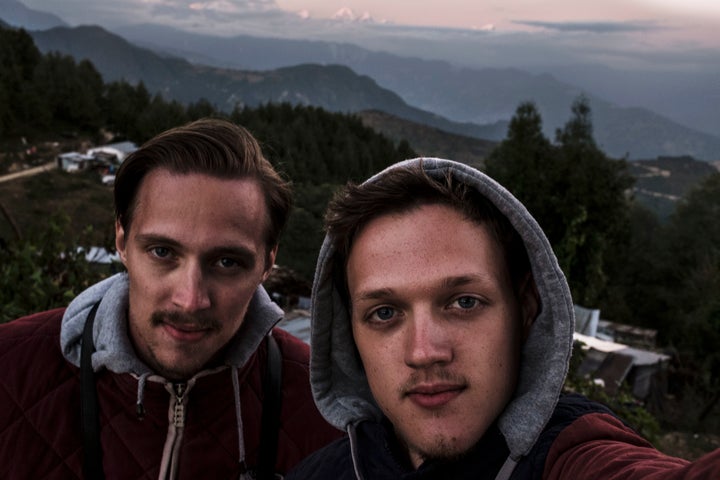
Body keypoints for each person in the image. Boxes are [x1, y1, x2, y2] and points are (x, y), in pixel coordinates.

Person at [287, 157, 720, 479]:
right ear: (350, 336)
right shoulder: (319, 474)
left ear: (526, 310)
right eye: (384, 313)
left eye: (464, 302)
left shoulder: (570, 457)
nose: (424, 352)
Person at [0, 118, 341, 479]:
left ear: (267, 263)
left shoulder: (330, 412)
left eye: (227, 262)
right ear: (121, 240)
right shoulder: (8, 370)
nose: (190, 300)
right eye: (163, 252)